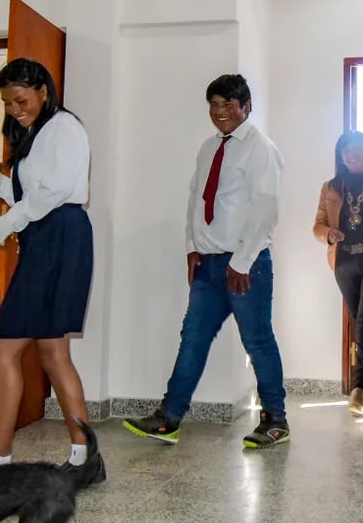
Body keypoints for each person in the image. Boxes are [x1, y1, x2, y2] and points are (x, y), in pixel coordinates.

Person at [123, 74, 289, 449]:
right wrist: (191, 248)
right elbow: (196, 200)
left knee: (258, 342)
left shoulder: (260, 148)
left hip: (245, 267)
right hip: (208, 265)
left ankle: (276, 420)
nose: (220, 112)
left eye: (228, 105)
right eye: (214, 104)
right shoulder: (208, 147)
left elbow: (266, 209)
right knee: (192, 339)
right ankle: (169, 418)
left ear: (246, 107)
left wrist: (242, 261)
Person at [0, 58, 103, 486]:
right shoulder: (37, 133)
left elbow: (57, 190)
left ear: (43, 90)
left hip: (57, 236)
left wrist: (7, 222)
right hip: (51, 234)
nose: (14, 110)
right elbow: (30, 192)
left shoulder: (63, 127)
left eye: (20, 100)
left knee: (2, 350)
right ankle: (86, 459)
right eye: (7, 104)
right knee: (52, 352)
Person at [313, 131, 363, 414]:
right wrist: (329, 234)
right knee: (361, 322)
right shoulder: (331, 188)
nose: (351, 154)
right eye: (345, 151)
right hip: (345, 262)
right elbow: (317, 225)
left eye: (356, 149)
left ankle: (359, 387)